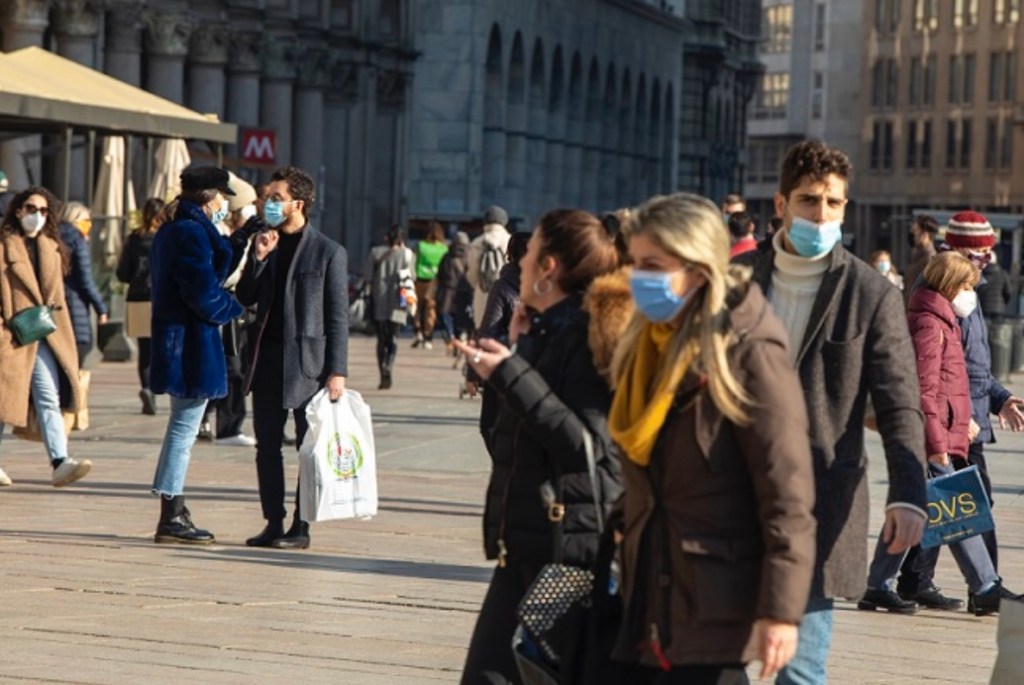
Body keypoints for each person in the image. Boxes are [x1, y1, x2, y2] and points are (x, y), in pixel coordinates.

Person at [738, 140, 927, 684]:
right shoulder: (735, 281)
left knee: (800, 669)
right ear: (781, 204)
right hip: (730, 494)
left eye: (833, 202)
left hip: (820, 500)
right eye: (808, 200)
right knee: (713, 662)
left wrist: (908, 492)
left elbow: (899, 400)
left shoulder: (870, 293)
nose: (821, 214)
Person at [606, 193, 815, 683]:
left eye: (653, 265)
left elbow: (786, 491)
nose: (637, 277)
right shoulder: (649, 342)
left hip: (716, 607)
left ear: (698, 271)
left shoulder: (749, 350)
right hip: (651, 600)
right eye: (634, 262)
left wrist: (781, 611)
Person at [454, 209, 623, 685]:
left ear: (547, 267)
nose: (520, 262)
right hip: (528, 545)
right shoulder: (545, 328)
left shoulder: (587, 336)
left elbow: (586, 446)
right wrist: (517, 350)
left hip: (564, 551)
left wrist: (512, 374)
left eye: (529, 255)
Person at [859, 251, 1020, 616]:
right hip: (931, 438)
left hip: (939, 434)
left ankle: (878, 585)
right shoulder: (931, 326)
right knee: (959, 509)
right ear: (950, 286)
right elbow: (924, 392)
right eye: (967, 286)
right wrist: (936, 445)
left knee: (914, 507)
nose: (971, 294)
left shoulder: (942, 321)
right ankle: (985, 586)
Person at [896, 211, 1024, 612]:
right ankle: (985, 588)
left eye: (988, 253)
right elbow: (941, 374)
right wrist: (961, 418)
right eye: (978, 254)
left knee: (944, 502)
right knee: (969, 502)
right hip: (955, 421)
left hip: (967, 416)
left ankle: (913, 579)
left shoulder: (965, 293)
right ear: (956, 253)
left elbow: (976, 366)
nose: (985, 262)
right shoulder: (943, 301)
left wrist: (1000, 398)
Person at [236, 165, 349, 550]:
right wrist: (258, 258)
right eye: (268, 197)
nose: (268, 203)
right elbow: (246, 296)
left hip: (308, 366)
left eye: (276, 198)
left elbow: (338, 317)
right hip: (266, 360)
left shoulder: (328, 251)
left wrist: (337, 371)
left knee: (308, 449)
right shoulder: (265, 241)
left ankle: (301, 526)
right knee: (266, 446)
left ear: (297, 204)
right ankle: (273, 521)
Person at [148, 167, 242, 544]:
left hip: (180, 341)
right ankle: (171, 514)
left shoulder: (175, 229)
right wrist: (233, 307)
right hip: (190, 345)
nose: (224, 204)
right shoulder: (191, 232)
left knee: (181, 427)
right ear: (208, 197)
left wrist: (240, 241)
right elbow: (203, 293)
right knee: (184, 429)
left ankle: (173, 508)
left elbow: (206, 274)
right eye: (222, 197)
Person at [0, 187, 91, 489]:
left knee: (48, 396)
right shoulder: (3, 247)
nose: (36, 215)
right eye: (31, 208)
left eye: (42, 211)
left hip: (43, 333)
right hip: (11, 335)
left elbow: (58, 297)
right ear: (18, 211)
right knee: (3, 401)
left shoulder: (51, 247)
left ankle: (60, 462)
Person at [198, 172, 259, 447]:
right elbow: (225, 273)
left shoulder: (233, 234)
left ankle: (219, 423)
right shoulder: (220, 233)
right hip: (223, 305)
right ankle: (224, 425)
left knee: (235, 368)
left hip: (235, 307)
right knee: (230, 369)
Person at [468, 230, 530, 448]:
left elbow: (488, 331)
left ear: (509, 255)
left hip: (503, 367)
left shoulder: (503, 285)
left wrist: (473, 373)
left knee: (490, 426)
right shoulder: (547, 286)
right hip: (537, 370)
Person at [117, 197, 165, 415]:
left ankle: (147, 388)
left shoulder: (133, 238)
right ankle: (155, 386)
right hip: (160, 297)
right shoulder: (165, 238)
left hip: (137, 298)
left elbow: (122, 273)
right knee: (161, 345)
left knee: (144, 348)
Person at [60, 201, 108, 366]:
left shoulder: (50, 236)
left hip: (54, 301)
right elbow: (85, 280)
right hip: (75, 303)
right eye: (86, 220)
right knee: (77, 354)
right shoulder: (77, 240)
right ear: (74, 219)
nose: (89, 224)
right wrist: (101, 307)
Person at [466, 205, 511, 330]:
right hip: (507, 295)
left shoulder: (476, 243)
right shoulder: (510, 241)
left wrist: (479, 285)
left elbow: (472, 276)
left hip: (483, 293)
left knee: (483, 331)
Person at [411, 221, 449, 350]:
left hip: (420, 280)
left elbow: (414, 261)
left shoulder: (420, 246)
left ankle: (418, 332)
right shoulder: (444, 248)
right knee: (430, 309)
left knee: (417, 307)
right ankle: (428, 336)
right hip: (435, 281)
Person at [435, 231, 474, 354]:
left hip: (447, 291)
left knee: (445, 316)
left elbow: (440, 274)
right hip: (464, 291)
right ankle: (460, 338)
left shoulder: (447, 256)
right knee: (460, 317)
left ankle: (450, 337)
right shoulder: (470, 256)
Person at [904, 215, 939, 306]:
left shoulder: (930, 259)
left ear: (925, 235)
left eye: (915, 232)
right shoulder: (915, 256)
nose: (913, 236)